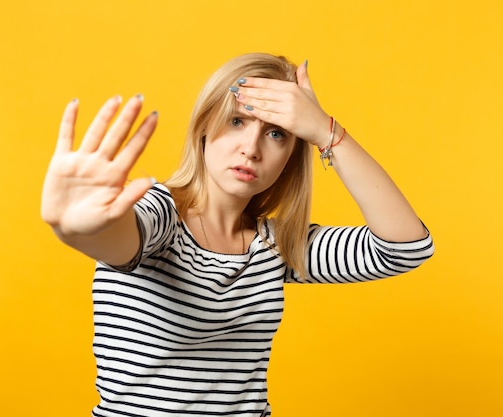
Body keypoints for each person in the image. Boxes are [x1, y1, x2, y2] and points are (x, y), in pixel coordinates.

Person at [41, 52, 434, 417]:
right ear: (204, 129)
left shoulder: (276, 246)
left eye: (277, 133)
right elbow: (121, 242)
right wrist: (81, 227)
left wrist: (324, 131)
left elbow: (405, 248)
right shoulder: (161, 213)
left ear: (290, 157)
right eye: (237, 120)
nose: (251, 148)